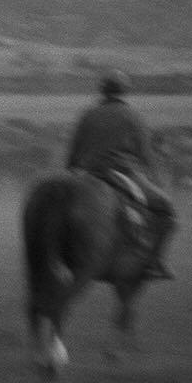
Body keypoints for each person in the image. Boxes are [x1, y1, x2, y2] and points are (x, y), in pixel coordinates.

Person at [67, 69, 176, 280]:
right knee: (167, 211)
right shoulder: (133, 116)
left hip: (88, 172)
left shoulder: (88, 114)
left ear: (103, 91)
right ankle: (155, 262)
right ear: (124, 91)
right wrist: (158, 179)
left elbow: (74, 150)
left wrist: (70, 174)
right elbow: (146, 155)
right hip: (121, 172)